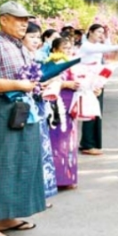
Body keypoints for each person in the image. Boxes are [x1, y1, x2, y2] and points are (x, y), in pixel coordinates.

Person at [0, 1, 45, 236]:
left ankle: (6, 218)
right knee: (1, 164)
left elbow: (27, 78)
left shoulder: (21, 48)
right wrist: (20, 86)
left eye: (25, 19)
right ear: (3, 20)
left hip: (23, 110)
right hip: (2, 109)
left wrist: (37, 86)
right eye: (18, 19)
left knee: (23, 160)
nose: (23, 23)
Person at [22, 22, 57, 208]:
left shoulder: (38, 56)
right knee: (32, 152)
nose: (36, 41)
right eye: (32, 37)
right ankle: (34, 196)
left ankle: (41, 194)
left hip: (39, 107)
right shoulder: (20, 57)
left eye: (38, 37)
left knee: (42, 151)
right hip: (28, 110)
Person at [77, 24, 118, 156]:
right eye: (98, 32)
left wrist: (107, 37)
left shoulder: (96, 46)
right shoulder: (86, 45)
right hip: (88, 81)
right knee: (91, 111)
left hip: (97, 79)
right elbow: (106, 48)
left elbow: (105, 49)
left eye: (102, 32)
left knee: (96, 111)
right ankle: (88, 144)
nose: (100, 35)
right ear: (90, 32)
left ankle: (89, 142)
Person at [48, 37, 80, 190]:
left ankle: (68, 178)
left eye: (70, 47)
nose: (68, 50)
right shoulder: (52, 64)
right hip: (57, 106)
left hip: (71, 104)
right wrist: (65, 84)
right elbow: (46, 82)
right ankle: (57, 178)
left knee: (71, 142)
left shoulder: (73, 64)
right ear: (54, 50)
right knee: (58, 142)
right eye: (64, 48)